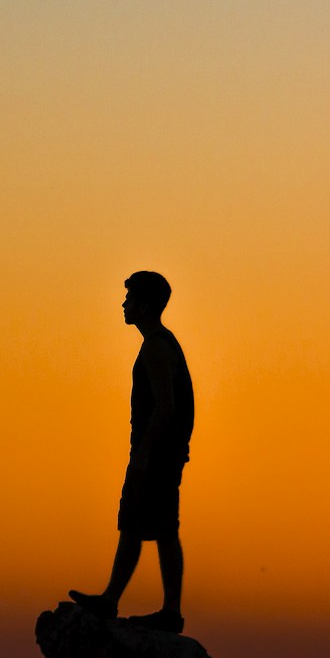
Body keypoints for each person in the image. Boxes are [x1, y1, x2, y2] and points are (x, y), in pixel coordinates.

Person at [68, 271, 194, 633]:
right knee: (137, 527)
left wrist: (144, 453)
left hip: (155, 455)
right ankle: (113, 600)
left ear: (145, 305)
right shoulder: (160, 344)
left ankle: (166, 611)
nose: (123, 304)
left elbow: (166, 407)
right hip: (160, 454)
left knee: (158, 529)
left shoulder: (156, 347)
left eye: (129, 298)